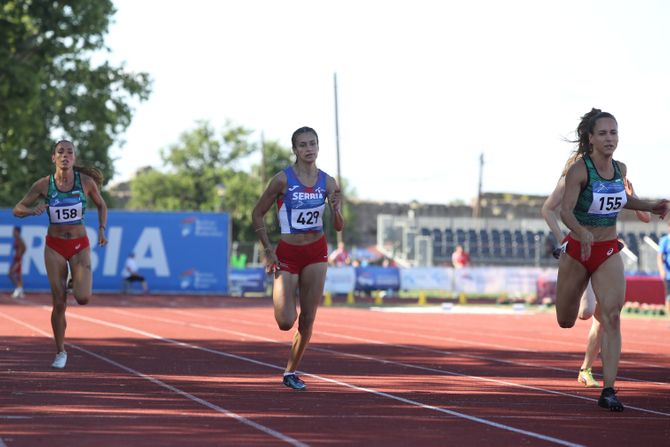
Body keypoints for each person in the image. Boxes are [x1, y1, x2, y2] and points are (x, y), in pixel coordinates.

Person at [557, 108, 668, 411]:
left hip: (607, 250)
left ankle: (608, 390)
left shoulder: (620, 168)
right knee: (566, 320)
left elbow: (623, 199)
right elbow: (565, 210)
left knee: (612, 316)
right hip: (578, 250)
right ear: (590, 138)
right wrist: (580, 231)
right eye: (603, 133)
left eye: (614, 132)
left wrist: (652, 205)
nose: (609, 138)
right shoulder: (580, 170)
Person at [542, 156, 650, 389]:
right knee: (584, 312)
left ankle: (586, 369)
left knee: (605, 317)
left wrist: (633, 195)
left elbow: (645, 217)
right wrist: (564, 240)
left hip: (607, 252)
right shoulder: (572, 177)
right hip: (580, 253)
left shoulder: (616, 176)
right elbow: (549, 209)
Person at [252, 126, 344, 391]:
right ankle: (288, 289)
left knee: (308, 319)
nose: (308, 149)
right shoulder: (282, 180)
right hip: (288, 253)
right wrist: (268, 249)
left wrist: (336, 211)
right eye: (302, 145)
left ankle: (290, 372)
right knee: (285, 322)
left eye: (312, 144)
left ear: (318, 146)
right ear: (294, 150)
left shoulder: (328, 182)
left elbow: (338, 227)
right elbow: (257, 213)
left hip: (316, 252)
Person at [12, 140, 108, 369]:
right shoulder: (44, 185)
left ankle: (75, 277)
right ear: (53, 158)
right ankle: (60, 351)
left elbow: (102, 206)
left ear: (74, 158)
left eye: (70, 152)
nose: (65, 156)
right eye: (60, 152)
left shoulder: (85, 182)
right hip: (54, 246)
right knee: (59, 302)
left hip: (79, 246)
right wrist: (30, 211)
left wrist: (102, 229)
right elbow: (17, 209)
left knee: (83, 298)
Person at [9, 226, 26, 299]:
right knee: (18, 276)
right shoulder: (16, 240)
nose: (13, 232)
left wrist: (20, 255)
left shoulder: (20, 240)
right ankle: (20, 291)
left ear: (18, 232)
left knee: (11, 273)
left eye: (14, 231)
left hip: (18, 260)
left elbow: (25, 247)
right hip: (15, 259)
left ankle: (18, 289)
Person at [657, 222, 670, 317]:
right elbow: (659, 257)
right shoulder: (665, 240)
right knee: (669, 297)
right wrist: (661, 270)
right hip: (668, 274)